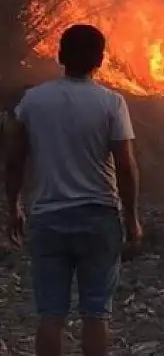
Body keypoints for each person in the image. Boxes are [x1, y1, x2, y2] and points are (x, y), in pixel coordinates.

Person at [5, 24, 142, 356]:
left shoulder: (33, 101)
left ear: (60, 55)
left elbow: (14, 160)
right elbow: (125, 167)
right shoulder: (112, 103)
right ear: (100, 60)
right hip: (99, 219)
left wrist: (13, 208)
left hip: (48, 218)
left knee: (50, 315)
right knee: (96, 315)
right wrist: (132, 219)